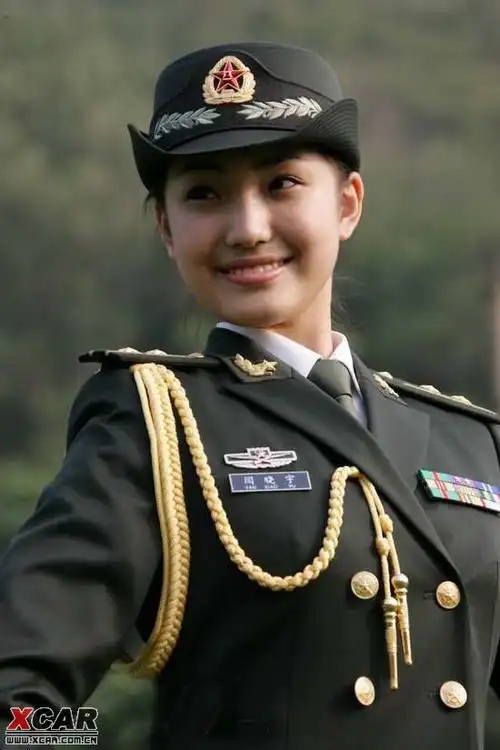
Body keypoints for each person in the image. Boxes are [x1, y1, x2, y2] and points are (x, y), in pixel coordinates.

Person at [0, 40, 499, 750]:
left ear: (348, 204)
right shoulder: (153, 426)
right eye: (204, 194)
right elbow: (16, 705)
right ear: (166, 227)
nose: (248, 228)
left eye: (282, 183)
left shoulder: (472, 443)